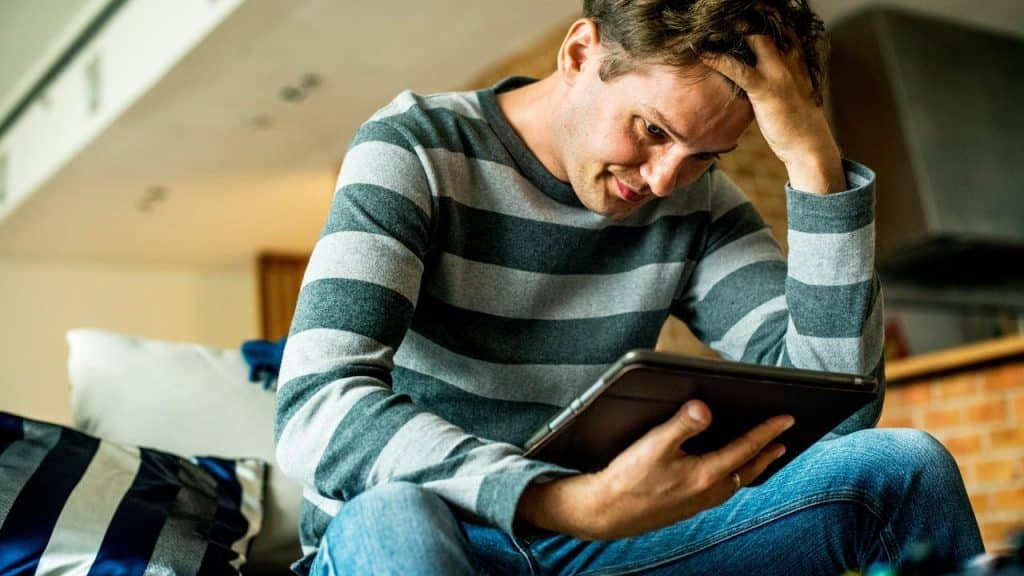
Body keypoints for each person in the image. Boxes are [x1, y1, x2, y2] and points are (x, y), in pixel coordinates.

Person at [274, 1, 983, 573]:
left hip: (600, 541)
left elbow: (837, 410)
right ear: (580, 53)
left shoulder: (695, 203)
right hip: (429, 529)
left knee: (901, 469)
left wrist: (811, 159)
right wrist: (563, 499)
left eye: (706, 154)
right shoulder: (415, 149)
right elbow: (315, 406)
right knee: (400, 516)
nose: (664, 179)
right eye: (651, 129)